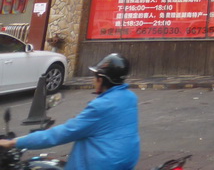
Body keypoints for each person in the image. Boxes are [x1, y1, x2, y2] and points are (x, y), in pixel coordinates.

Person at [0, 53, 140, 170]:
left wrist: (14, 142)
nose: (93, 80)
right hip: (125, 162)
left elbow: (61, 134)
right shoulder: (129, 97)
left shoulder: (101, 106)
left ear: (102, 79)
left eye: (95, 76)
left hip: (102, 165)